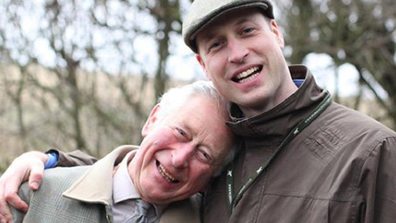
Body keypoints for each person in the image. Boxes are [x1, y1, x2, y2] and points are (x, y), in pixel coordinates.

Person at [1, 0, 396, 222]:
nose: (238, 53)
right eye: (216, 44)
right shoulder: (228, 145)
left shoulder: (372, 151)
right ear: (203, 65)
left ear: (276, 33)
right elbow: (142, 176)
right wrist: (47, 162)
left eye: (247, 30)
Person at [1, 81, 236, 223]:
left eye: (204, 154)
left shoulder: (212, 219)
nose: (179, 158)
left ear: (213, 175)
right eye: (181, 132)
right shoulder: (33, 197)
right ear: (152, 120)